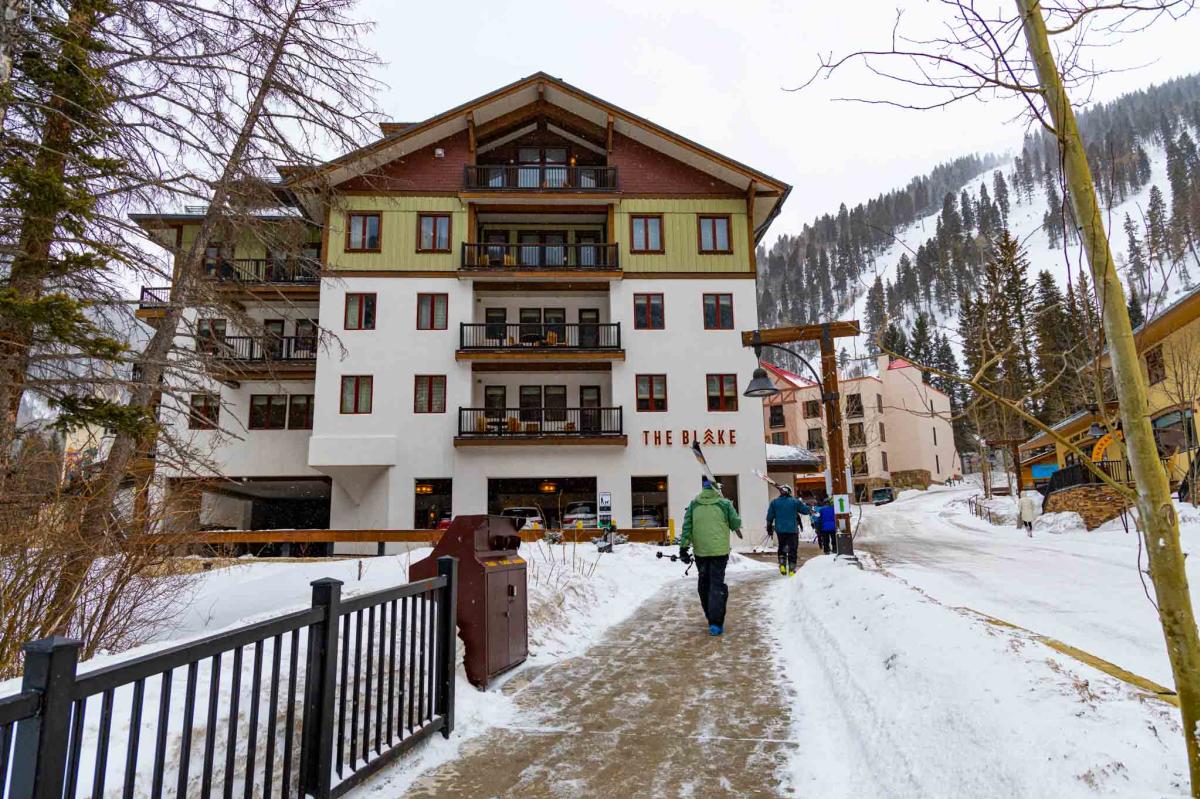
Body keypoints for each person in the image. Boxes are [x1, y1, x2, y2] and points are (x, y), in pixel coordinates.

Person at [679, 477, 742, 636]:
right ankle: (716, 622)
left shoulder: (694, 504)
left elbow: (687, 527)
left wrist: (683, 548)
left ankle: (709, 612)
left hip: (701, 551)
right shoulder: (725, 504)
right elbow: (735, 523)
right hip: (719, 551)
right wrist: (732, 510)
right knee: (716, 583)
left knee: (704, 582)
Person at [766, 485, 809, 576]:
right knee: (792, 549)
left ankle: (782, 565)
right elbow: (805, 511)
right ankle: (792, 569)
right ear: (789, 492)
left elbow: (769, 516)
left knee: (782, 547)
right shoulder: (795, 502)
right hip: (792, 530)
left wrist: (769, 527)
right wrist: (804, 505)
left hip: (780, 529)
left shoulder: (774, 502)